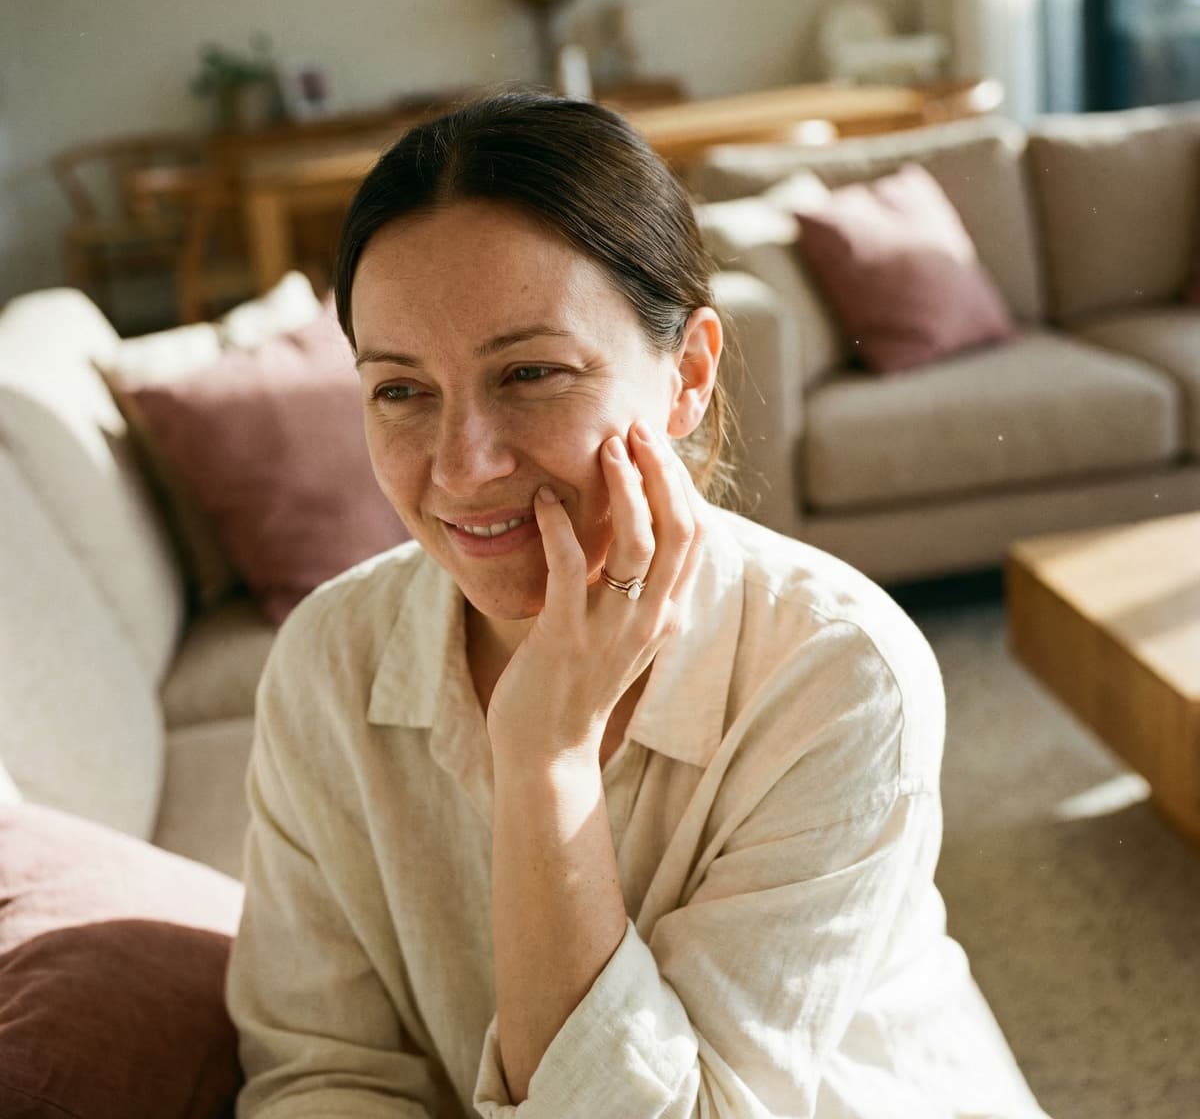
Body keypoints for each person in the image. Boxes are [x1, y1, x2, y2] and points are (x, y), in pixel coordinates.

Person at [225, 91, 1049, 1118]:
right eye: (400, 390)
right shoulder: (326, 662)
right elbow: (323, 1072)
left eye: (531, 373)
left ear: (689, 374)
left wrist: (545, 759)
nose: (463, 465)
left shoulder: (837, 672)